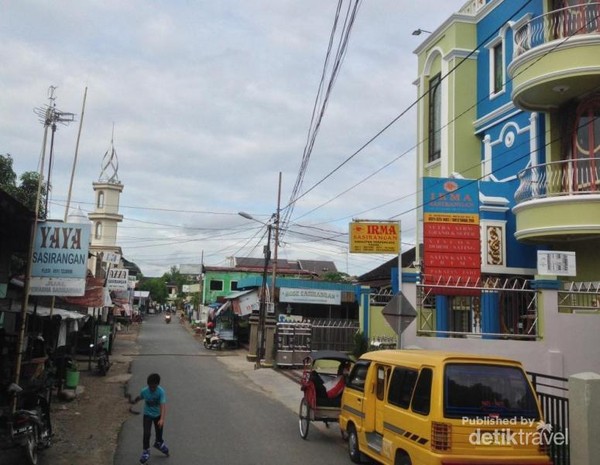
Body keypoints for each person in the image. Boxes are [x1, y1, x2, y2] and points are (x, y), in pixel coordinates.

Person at [131, 373, 169, 463]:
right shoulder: (144, 391)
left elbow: (163, 406)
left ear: (157, 385)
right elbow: (140, 397)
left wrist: (162, 419)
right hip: (147, 415)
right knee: (146, 434)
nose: (152, 389)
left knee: (159, 433)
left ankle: (159, 443)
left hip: (158, 416)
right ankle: (146, 451)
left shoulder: (161, 392)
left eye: (154, 387)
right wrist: (134, 401)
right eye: (150, 387)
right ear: (148, 385)